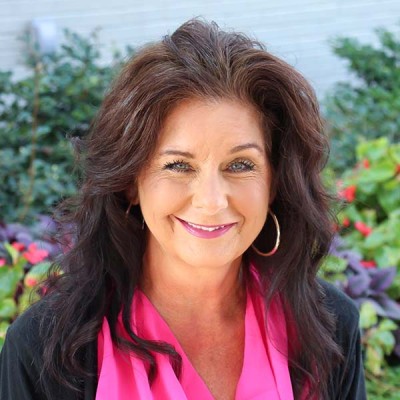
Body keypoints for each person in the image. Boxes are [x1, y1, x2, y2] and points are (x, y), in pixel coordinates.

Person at [0, 19, 366, 399]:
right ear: (131, 181)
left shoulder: (329, 326)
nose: (211, 200)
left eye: (240, 165)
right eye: (178, 166)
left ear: (274, 182)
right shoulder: (44, 351)